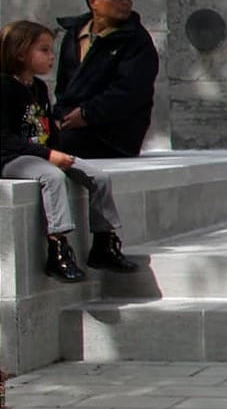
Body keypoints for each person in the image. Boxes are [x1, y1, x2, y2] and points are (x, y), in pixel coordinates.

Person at [2, 19, 141, 282]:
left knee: (99, 177)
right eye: (43, 50)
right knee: (52, 177)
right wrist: (49, 157)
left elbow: (48, 132)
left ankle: (104, 243)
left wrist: (60, 152)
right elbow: (4, 139)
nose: (52, 56)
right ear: (20, 53)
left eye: (51, 49)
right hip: (12, 158)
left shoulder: (39, 88)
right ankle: (57, 249)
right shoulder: (5, 87)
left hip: (41, 154)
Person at [52, 0, 159, 160]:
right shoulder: (74, 35)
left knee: (53, 146)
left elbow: (130, 92)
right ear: (93, 2)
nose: (125, 3)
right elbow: (64, 88)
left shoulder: (136, 40)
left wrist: (86, 114)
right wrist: (61, 117)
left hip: (114, 136)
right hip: (72, 125)